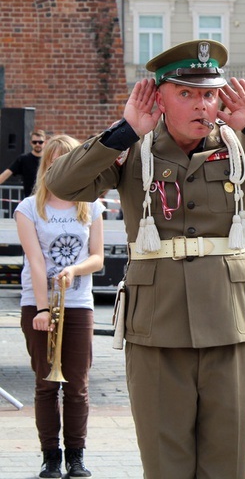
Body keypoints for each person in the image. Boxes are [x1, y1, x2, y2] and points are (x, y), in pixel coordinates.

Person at [45, 39, 245, 479]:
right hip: (157, 327)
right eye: (187, 93)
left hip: (229, 323)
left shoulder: (244, 145)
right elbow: (63, 185)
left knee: (227, 464)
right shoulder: (132, 148)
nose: (203, 104)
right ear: (159, 96)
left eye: (210, 93)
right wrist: (123, 130)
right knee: (165, 465)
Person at [14, 135, 105, 479]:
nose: (60, 167)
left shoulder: (91, 206)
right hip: (38, 304)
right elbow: (35, 261)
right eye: (54, 162)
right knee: (46, 384)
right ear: (46, 165)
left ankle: (76, 456)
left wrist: (74, 270)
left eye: (68, 161)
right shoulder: (28, 208)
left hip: (78, 303)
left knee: (78, 384)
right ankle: (51, 456)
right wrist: (41, 309)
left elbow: (96, 257)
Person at [0, 129, 47, 197]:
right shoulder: (23, 159)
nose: (37, 144)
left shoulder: (49, 159)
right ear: (31, 143)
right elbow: (6, 174)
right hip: (30, 200)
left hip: (47, 199)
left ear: (45, 142)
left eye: (40, 142)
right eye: (35, 142)